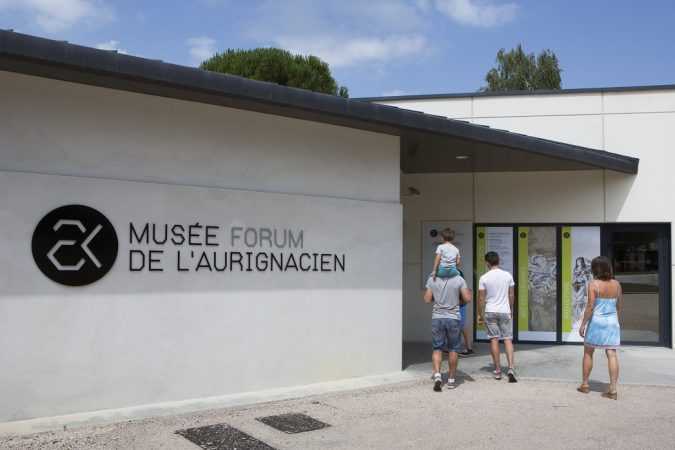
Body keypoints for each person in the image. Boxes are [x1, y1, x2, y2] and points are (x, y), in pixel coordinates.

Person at [578, 256, 621, 400]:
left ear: (595, 269)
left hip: (596, 322)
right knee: (612, 353)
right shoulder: (617, 284)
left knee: (588, 352)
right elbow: (618, 306)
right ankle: (613, 389)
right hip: (612, 322)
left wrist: (583, 324)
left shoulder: (593, 285)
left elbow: (590, 307)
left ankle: (585, 384)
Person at [424, 270, 472, 391]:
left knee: (437, 349)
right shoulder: (459, 279)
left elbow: (427, 300)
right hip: (453, 318)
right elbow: (468, 298)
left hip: (437, 318)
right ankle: (451, 380)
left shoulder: (432, 278)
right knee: (453, 349)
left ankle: (437, 376)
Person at [477, 251, 517, 382]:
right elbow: (511, 295)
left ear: (487, 263)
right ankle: (511, 368)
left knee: (494, 340)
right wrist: (510, 310)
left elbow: (481, 299)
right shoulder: (508, 275)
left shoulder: (484, 278)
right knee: (508, 339)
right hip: (505, 310)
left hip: (490, 311)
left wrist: (479, 314)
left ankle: (498, 371)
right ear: (498, 261)